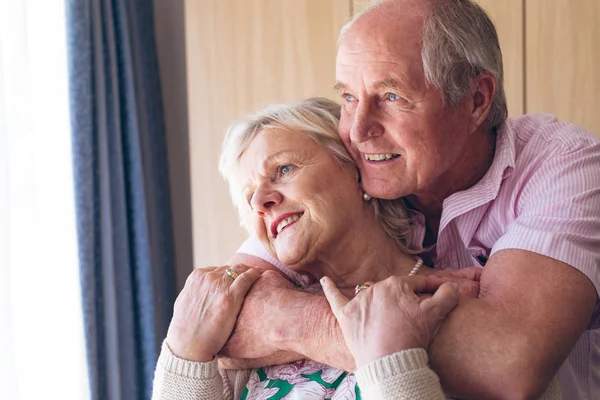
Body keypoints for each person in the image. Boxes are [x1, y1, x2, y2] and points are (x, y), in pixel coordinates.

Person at [219, 1, 600, 399]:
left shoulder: (564, 162)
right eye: (348, 97)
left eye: (390, 96)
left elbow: (507, 366)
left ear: (476, 99)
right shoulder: (357, 170)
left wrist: (296, 318)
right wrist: (346, 324)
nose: (358, 130)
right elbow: (219, 317)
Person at [152, 98, 479, 399]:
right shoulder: (244, 336)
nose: (259, 202)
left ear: (355, 170)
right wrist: (183, 355)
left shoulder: (453, 301)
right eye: (247, 196)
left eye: (283, 170)